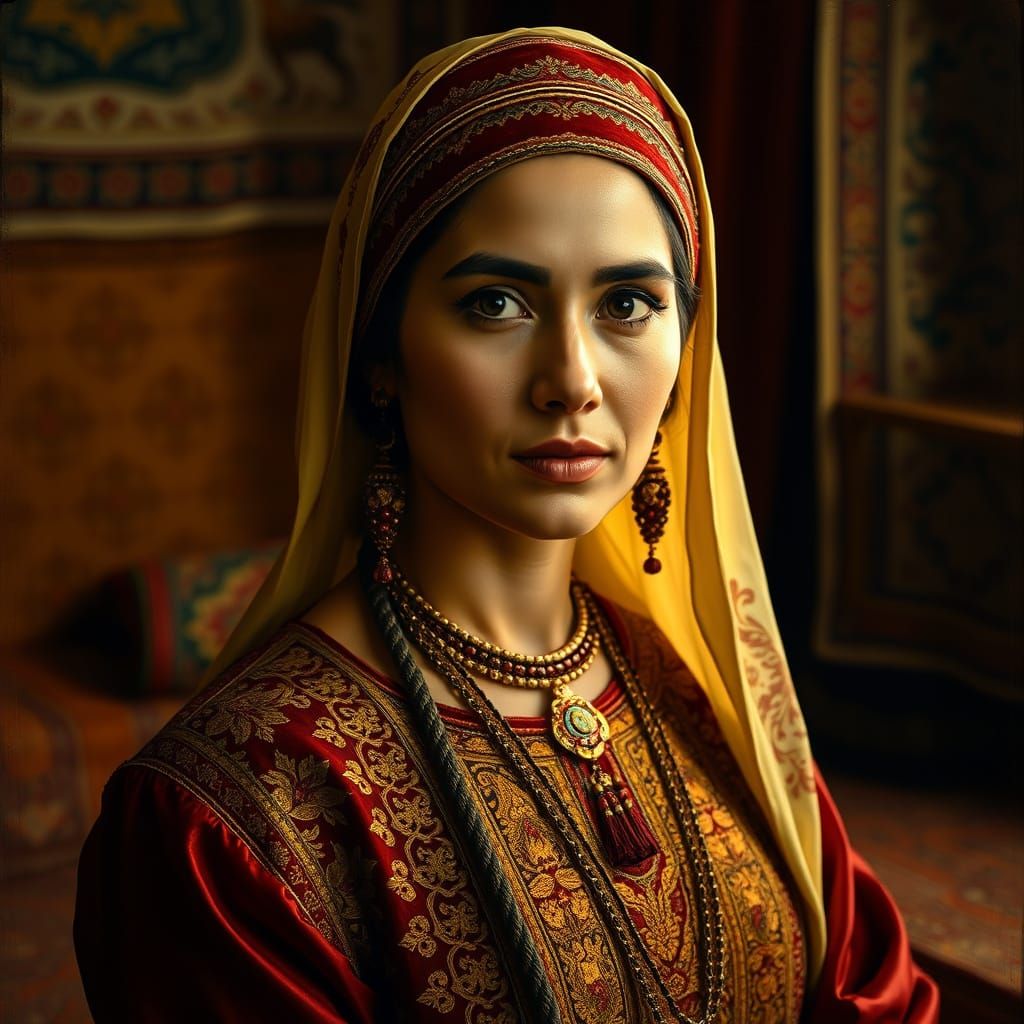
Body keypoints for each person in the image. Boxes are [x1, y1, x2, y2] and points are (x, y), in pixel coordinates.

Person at [74, 27, 939, 1023]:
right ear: (381, 354)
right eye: (496, 302)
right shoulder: (236, 811)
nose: (571, 380)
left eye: (626, 303)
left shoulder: (706, 694)